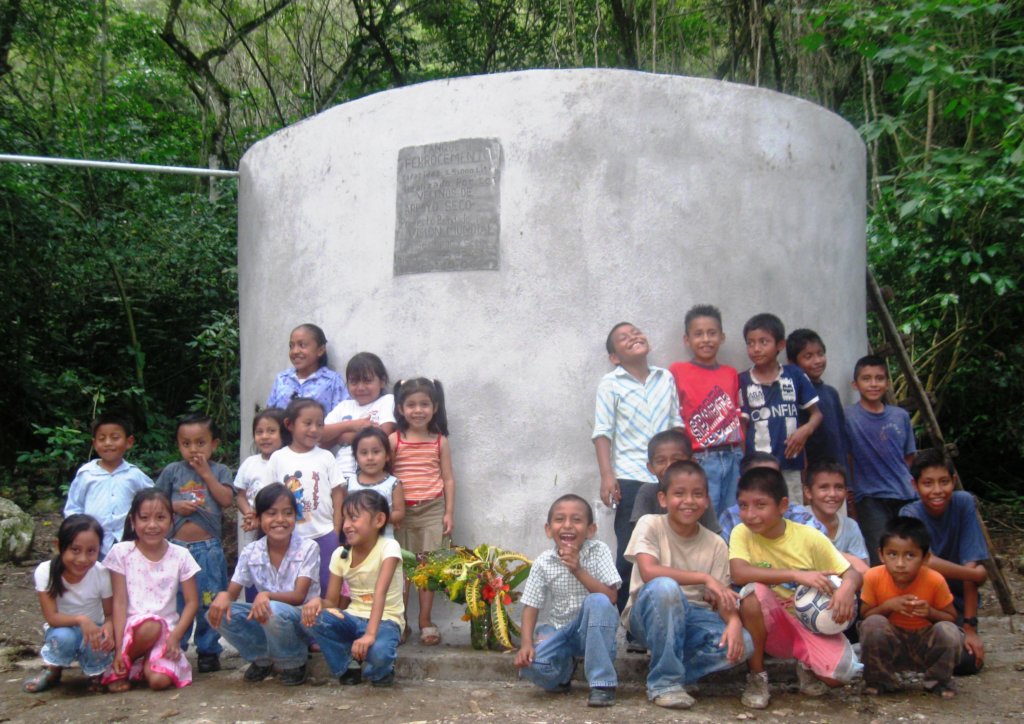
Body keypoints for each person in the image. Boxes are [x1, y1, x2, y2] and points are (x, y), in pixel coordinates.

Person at [623, 461, 752, 710]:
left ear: (706, 500)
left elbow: (720, 599)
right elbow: (649, 572)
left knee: (745, 643)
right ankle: (664, 683)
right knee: (666, 588)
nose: (689, 501)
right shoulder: (650, 524)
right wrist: (704, 578)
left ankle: (670, 670)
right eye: (679, 493)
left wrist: (734, 621)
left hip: (695, 617)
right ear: (663, 498)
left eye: (697, 494)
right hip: (649, 613)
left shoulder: (716, 543)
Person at [730, 467, 861, 709]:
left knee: (840, 676)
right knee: (751, 593)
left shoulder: (809, 537)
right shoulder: (742, 532)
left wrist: (847, 589)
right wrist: (796, 575)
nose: (750, 514)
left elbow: (851, 572)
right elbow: (738, 572)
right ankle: (757, 677)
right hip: (771, 622)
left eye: (760, 505)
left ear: (782, 506)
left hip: (807, 623)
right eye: (743, 505)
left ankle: (807, 664)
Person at [593, 322, 683, 612]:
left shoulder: (665, 378)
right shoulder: (611, 384)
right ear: (614, 357)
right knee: (632, 550)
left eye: (635, 332)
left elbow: (676, 425)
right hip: (631, 479)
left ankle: (667, 612)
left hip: (669, 478)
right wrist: (608, 475)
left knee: (670, 546)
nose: (633, 337)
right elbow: (603, 432)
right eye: (623, 338)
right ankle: (627, 621)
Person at [207, 483, 320, 686]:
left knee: (272, 608)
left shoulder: (308, 547)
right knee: (217, 611)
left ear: (296, 517)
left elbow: (299, 596)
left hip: (303, 620)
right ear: (258, 519)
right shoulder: (251, 551)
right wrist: (223, 596)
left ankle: (293, 661)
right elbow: (232, 591)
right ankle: (262, 658)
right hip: (268, 618)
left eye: (287, 513)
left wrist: (266, 595)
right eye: (271, 513)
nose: (280, 520)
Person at [515, 494, 621, 708]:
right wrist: (525, 644)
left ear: (591, 529)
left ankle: (602, 684)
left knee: (598, 601)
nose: (568, 526)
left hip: (593, 633)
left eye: (577, 520)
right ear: (548, 529)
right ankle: (563, 672)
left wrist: (577, 570)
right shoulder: (544, 562)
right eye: (560, 519)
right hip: (560, 632)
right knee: (530, 665)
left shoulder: (598, 552)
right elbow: (531, 605)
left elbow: (611, 597)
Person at [156, 413, 233, 673]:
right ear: (178, 445)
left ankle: (209, 650)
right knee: (177, 601)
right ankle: (175, 647)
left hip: (208, 549)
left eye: (200, 443)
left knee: (209, 599)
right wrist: (174, 506)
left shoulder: (220, 470)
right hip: (175, 550)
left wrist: (205, 473)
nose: (193, 449)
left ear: (214, 444)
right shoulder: (172, 472)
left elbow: (225, 500)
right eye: (186, 444)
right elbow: (155, 502)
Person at [102, 489, 201, 691]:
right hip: (132, 629)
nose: (152, 525)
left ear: (171, 520)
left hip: (167, 632)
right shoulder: (122, 552)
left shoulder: (181, 555)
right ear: (133, 521)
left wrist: (175, 637)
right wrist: (120, 649)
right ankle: (121, 664)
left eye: (160, 518)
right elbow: (119, 602)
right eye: (144, 518)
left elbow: (192, 602)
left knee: (158, 681)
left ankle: (142, 664)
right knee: (150, 626)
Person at [900, 449, 988, 676]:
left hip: (954, 606)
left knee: (967, 663)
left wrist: (970, 627)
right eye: (928, 483)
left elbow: (971, 562)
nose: (937, 491)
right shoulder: (909, 513)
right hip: (921, 607)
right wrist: (975, 575)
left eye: (944, 482)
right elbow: (924, 563)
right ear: (915, 485)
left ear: (954, 481)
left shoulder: (963, 503)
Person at [304, 490, 404, 687]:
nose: (347, 525)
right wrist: (317, 602)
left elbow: (380, 593)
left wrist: (370, 634)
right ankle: (348, 665)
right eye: (345, 519)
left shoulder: (389, 547)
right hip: (351, 618)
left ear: (379, 520)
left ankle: (379, 671)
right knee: (316, 617)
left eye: (354, 518)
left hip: (386, 621)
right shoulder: (340, 554)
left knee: (380, 653)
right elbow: (331, 602)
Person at [860, 516, 961, 698]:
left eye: (910, 555)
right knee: (872, 624)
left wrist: (930, 612)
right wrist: (887, 606)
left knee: (948, 631)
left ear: (925, 558)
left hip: (925, 643)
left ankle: (939, 681)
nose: (900, 564)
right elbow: (865, 614)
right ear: (881, 555)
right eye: (892, 554)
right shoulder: (872, 577)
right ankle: (880, 679)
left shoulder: (935, 580)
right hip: (892, 643)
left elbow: (951, 617)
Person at [388, 378, 455, 646]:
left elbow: (448, 478)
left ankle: (425, 620)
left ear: (435, 407)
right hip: (401, 514)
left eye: (424, 404)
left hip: (431, 511)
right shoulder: (395, 440)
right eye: (411, 404)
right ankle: (400, 622)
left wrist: (449, 512)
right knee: (400, 571)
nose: (418, 410)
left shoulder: (440, 442)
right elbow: (386, 477)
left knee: (428, 570)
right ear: (400, 408)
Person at [24, 515, 114, 693]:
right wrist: (81, 620)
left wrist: (109, 627)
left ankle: (96, 674)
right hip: (62, 628)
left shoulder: (101, 573)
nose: (82, 559)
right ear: (58, 546)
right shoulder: (46, 571)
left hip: (94, 629)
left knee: (99, 640)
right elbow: (52, 617)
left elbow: (110, 614)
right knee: (64, 638)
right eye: (75, 550)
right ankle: (53, 670)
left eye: (91, 551)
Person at [739, 313, 822, 504]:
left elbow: (816, 414)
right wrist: (743, 465)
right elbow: (742, 428)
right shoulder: (742, 381)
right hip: (757, 468)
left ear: (780, 345)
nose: (756, 348)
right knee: (761, 510)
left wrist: (805, 430)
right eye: (750, 343)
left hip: (790, 464)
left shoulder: (795, 375)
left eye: (763, 342)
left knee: (791, 512)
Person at [264, 397, 345, 594]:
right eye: (307, 423)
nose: (314, 429)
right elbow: (267, 496)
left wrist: (335, 530)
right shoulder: (278, 458)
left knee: (327, 584)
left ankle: (326, 623)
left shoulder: (326, 457)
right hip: (289, 537)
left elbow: (338, 494)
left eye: (319, 424)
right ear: (289, 424)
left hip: (324, 533)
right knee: (291, 586)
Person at [669, 305, 744, 515]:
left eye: (712, 333)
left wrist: (742, 455)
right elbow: (674, 417)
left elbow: (737, 415)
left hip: (733, 455)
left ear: (722, 337)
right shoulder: (678, 371)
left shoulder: (730, 373)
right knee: (704, 517)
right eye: (698, 334)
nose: (706, 339)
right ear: (687, 340)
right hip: (700, 458)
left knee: (733, 516)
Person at [845, 355, 917, 566]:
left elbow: (909, 456)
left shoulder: (900, 416)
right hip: (870, 497)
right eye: (866, 378)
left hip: (905, 495)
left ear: (887, 383)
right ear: (855, 384)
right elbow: (847, 457)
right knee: (881, 555)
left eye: (879, 378)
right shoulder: (848, 417)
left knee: (909, 552)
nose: (873, 384)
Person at [64, 413, 153, 558]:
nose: (108, 443)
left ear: (129, 442)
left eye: (115, 437)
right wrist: (77, 532)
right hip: (92, 542)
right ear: (94, 444)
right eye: (102, 438)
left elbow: (153, 499)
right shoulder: (86, 474)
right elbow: (74, 507)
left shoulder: (134, 475)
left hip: (127, 541)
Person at [718, 452, 828, 544]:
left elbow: (827, 554)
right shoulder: (731, 518)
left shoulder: (799, 517)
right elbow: (732, 567)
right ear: (740, 483)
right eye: (757, 479)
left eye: (773, 478)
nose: (750, 515)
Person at [786, 329, 851, 484]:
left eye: (820, 354)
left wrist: (848, 481)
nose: (817, 361)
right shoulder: (793, 393)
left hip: (837, 475)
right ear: (792, 362)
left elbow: (842, 439)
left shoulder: (831, 393)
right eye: (808, 356)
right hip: (812, 476)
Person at [322, 352, 397, 483]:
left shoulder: (387, 401)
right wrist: (353, 425)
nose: (360, 387)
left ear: (383, 381)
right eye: (354, 382)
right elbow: (320, 435)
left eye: (367, 381)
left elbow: (384, 435)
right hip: (340, 474)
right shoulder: (344, 406)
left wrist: (340, 437)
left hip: (372, 475)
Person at [630, 429, 721, 534]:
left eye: (676, 460)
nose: (669, 466)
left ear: (692, 462)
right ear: (651, 467)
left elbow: (714, 535)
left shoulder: (698, 495)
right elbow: (641, 535)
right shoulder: (647, 492)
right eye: (661, 461)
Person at [803, 461, 869, 575]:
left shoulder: (850, 526)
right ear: (808, 492)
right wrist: (846, 559)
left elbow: (863, 570)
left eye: (839, 487)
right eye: (824, 488)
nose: (833, 494)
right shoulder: (798, 519)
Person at [234, 408, 287, 549]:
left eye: (271, 431)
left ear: (284, 433)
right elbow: (240, 496)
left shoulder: (288, 462)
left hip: (281, 524)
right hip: (254, 526)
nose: (264, 436)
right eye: (259, 432)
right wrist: (249, 514)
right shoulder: (249, 463)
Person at [266, 323, 349, 412]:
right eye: (291, 346)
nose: (295, 351)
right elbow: (269, 416)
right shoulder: (282, 379)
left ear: (320, 350)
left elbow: (343, 417)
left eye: (302, 345)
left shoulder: (332, 381)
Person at [347, 427, 404, 539]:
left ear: (387, 455)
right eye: (364, 453)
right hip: (357, 542)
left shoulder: (393, 484)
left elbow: (400, 513)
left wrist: (376, 519)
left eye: (376, 452)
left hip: (385, 543)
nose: (370, 458)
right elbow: (344, 512)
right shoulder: (350, 483)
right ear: (356, 457)